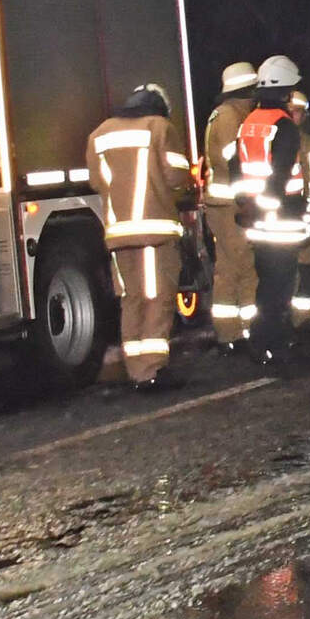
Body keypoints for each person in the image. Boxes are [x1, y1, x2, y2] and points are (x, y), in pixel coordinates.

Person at [89, 82, 194, 389]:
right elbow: (176, 175)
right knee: (157, 299)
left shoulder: (99, 133)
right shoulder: (160, 128)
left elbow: (97, 181)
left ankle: (136, 369)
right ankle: (152, 371)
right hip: (154, 230)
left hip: (118, 233)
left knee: (132, 299)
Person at [215, 55, 310, 360]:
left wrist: (246, 203)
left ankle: (262, 343)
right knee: (280, 286)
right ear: (286, 91)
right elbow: (280, 173)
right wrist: (269, 208)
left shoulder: (248, 124)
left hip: (256, 221)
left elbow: (235, 166)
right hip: (281, 220)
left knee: (265, 283)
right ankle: (272, 344)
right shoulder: (284, 127)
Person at [197, 61, 259, 349]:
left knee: (227, 269)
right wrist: (247, 202)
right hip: (233, 205)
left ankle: (229, 334)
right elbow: (236, 162)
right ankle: (248, 332)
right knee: (245, 269)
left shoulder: (220, 114)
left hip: (221, 204)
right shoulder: (231, 117)